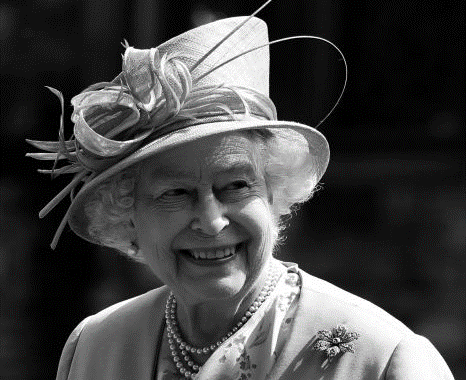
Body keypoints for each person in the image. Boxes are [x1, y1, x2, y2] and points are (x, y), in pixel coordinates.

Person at [27, 7, 454, 380]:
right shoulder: (96, 346)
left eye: (235, 186)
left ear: (275, 194)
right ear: (128, 215)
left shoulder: (381, 359)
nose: (212, 220)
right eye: (176, 192)